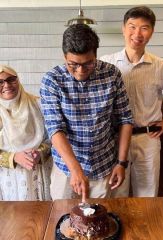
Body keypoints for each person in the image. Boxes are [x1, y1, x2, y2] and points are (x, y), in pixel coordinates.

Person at [40, 24, 133, 202]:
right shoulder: (52, 80)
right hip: (66, 168)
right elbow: (55, 129)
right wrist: (76, 170)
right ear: (64, 56)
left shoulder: (112, 74)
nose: (80, 71)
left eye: (88, 63)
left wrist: (121, 163)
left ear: (96, 55)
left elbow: (125, 119)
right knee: (63, 218)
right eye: (73, 64)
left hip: (104, 164)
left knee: (100, 220)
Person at [100, 6, 163, 197]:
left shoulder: (161, 66)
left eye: (144, 28)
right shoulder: (105, 64)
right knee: (117, 193)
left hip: (148, 139)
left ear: (151, 32)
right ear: (123, 28)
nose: (137, 33)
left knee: (147, 194)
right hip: (114, 139)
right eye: (132, 26)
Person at [0, 65, 52, 200]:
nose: (6, 85)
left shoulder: (37, 104)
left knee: (41, 216)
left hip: (38, 172)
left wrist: (39, 153)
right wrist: (14, 157)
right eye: (0, 82)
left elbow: (52, 139)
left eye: (11, 79)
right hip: (7, 178)